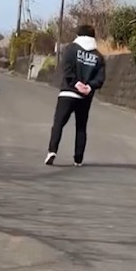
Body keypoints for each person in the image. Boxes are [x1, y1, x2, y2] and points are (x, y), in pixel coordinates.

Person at [45, 25, 106, 167]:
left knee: (58, 124)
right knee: (81, 127)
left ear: (78, 35)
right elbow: (100, 78)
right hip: (85, 97)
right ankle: (78, 159)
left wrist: (75, 83)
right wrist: (89, 86)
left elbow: (66, 68)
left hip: (68, 92)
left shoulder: (71, 49)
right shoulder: (98, 56)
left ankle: (52, 151)